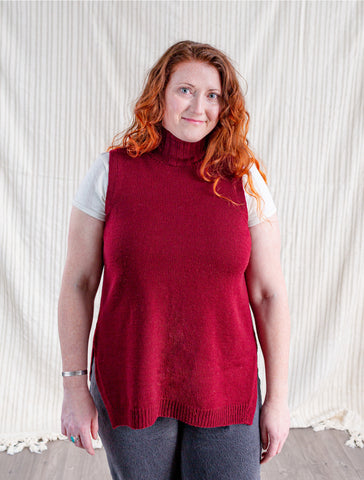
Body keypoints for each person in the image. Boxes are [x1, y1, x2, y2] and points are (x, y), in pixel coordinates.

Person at [58, 40, 290, 480]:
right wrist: (73, 387)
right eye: (185, 89)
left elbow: (269, 293)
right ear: (160, 94)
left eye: (212, 95)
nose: (197, 106)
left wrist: (277, 398)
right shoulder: (112, 171)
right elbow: (79, 284)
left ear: (225, 106)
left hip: (226, 387)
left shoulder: (245, 180)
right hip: (131, 383)